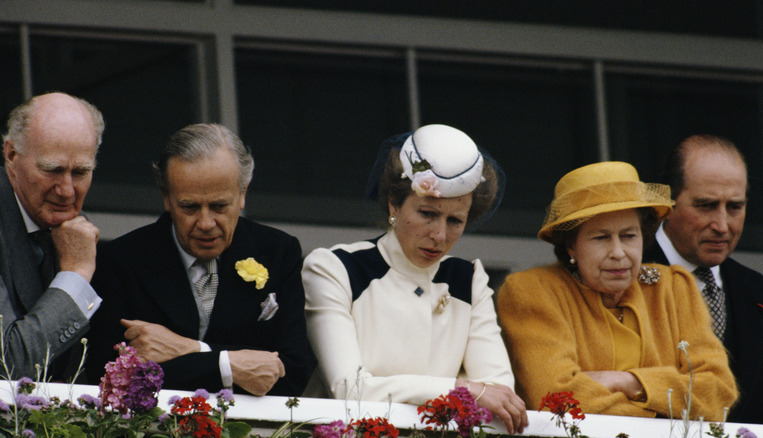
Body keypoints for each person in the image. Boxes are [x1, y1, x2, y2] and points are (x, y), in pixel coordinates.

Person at [302, 124, 528, 434]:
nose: (439, 234)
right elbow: (351, 391)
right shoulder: (334, 268)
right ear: (394, 203)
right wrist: (462, 388)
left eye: (455, 221)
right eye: (427, 213)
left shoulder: (469, 280)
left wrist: (470, 391)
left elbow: (498, 394)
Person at [87, 123, 316, 396]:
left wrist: (190, 350)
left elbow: (293, 372)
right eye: (189, 207)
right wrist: (230, 366)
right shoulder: (121, 261)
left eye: (219, 206)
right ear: (167, 198)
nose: (206, 223)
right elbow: (111, 376)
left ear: (243, 193)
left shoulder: (279, 252)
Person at [498, 161, 737, 420]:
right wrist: (666, 409)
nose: (618, 253)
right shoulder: (534, 291)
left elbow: (718, 392)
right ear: (571, 246)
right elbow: (556, 398)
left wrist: (628, 381)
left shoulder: (674, 287)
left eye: (629, 236)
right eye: (600, 238)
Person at [644, 135, 763, 425]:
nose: (722, 225)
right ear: (666, 203)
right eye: (706, 206)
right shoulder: (620, 281)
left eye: (735, 207)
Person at [0, 92, 103, 380]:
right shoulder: (78, 257)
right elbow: (8, 363)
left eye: (81, 172)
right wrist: (76, 274)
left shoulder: (75, 231)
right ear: (11, 154)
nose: (67, 190)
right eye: (52, 170)